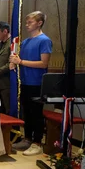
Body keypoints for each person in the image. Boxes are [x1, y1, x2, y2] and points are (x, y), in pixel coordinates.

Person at [10, 11, 52, 156]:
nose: (27, 25)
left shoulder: (44, 40)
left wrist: (20, 62)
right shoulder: (26, 42)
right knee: (27, 113)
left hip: (37, 83)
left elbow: (43, 63)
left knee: (36, 114)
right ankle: (27, 139)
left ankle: (37, 142)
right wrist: (14, 61)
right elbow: (18, 59)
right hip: (25, 82)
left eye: (30, 22)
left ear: (39, 23)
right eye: (26, 22)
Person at [0, 22, 12, 115]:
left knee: (8, 109)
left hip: (7, 83)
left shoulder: (12, 44)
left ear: (5, 31)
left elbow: (11, 64)